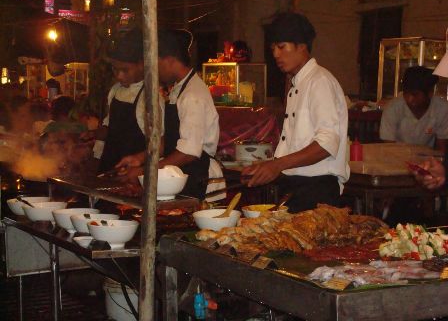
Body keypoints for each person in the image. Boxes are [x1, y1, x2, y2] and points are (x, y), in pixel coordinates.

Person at [241, 12, 349, 213]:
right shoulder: (297, 83)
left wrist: (277, 165)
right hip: (296, 187)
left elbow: (327, 143)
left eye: (282, 47)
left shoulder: (320, 82)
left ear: (302, 46)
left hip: (318, 190)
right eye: (273, 48)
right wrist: (267, 167)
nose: (276, 55)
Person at [117, 29, 224, 200]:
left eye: (154, 63)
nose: (153, 70)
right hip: (181, 178)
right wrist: (141, 158)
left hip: (200, 181)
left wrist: (146, 173)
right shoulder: (179, 89)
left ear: (168, 59)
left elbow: (188, 151)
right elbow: (174, 139)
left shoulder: (192, 95)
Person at [87, 28, 148, 173]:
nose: (119, 76)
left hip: (132, 173)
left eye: (125, 70)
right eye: (115, 69)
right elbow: (109, 127)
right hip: (109, 168)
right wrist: (95, 152)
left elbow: (158, 144)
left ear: (141, 65)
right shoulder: (115, 90)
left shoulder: (149, 98)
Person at [380, 66, 448, 152]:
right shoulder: (392, 108)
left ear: (430, 93)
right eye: (406, 93)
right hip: (397, 158)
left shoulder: (442, 109)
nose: (409, 99)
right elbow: (388, 148)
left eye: (415, 94)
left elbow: (441, 149)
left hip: (427, 160)